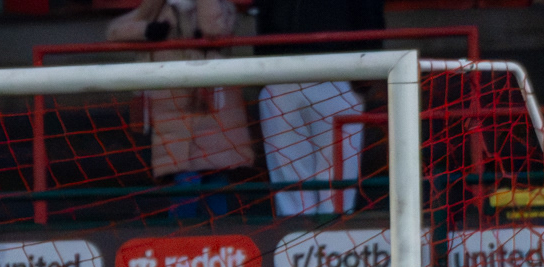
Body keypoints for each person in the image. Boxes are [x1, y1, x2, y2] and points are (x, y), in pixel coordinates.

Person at [107, 0, 255, 218]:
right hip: (172, 109)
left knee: (215, 178)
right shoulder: (158, 9)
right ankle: (181, 235)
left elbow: (214, 30)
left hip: (212, 107)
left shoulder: (222, 7)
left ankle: (217, 234)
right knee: (185, 180)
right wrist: (147, 30)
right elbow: (115, 31)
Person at [255, 0, 386, 216]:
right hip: (303, 72)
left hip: (321, 71)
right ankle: (320, 232)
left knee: (307, 187)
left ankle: (313, 232)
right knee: (327, 187)